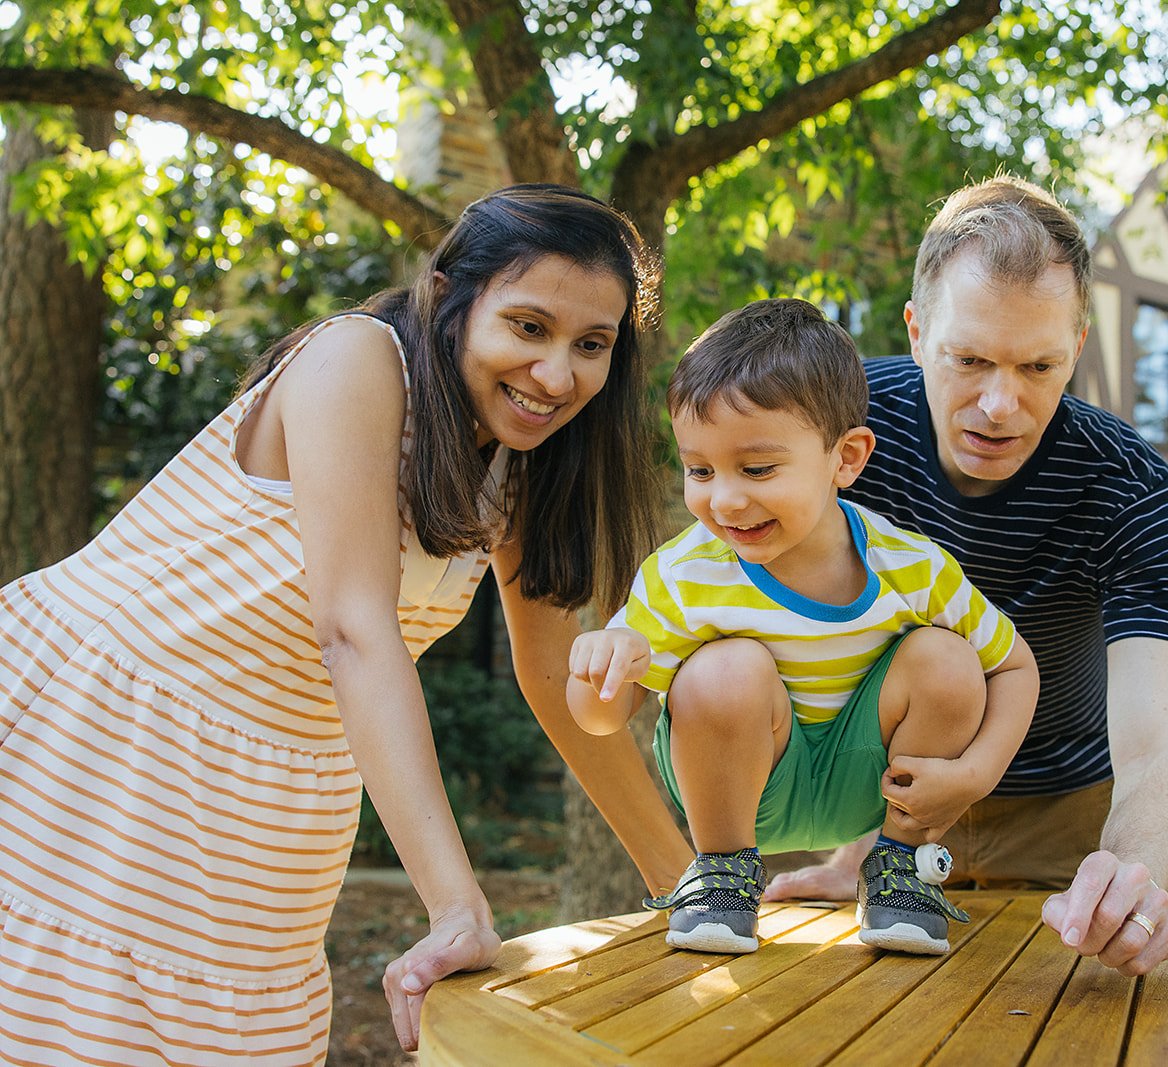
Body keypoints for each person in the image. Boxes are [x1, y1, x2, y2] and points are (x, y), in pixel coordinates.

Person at [0, 184, 691, 1064]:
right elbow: (355, 629)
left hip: (279, 791)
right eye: (527, 327)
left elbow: (553, 679)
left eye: (591, 345)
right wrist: (455, 904)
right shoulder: (356, 360)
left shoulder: (524, 464)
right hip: (104, 736)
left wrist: (691, 884)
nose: (557, 375)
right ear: (449, 296)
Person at [763, 176, 1168, 978]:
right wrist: (850, 847)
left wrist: (1130, 875)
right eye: (968, 359)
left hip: (1058, 817)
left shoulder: (1138, 496)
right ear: (917, 327)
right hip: (882, 797)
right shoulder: (832, 441)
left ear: (1076, 347)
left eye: (1038, 366)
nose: (1000, 404)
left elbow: (1158, 746)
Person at [567, 298, 1039, 956]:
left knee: (950, 660)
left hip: (876, 792)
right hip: (743, 785)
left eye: (757, 468)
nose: (725, 498)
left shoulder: (912, 567)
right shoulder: (683, 576)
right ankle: (724, 876)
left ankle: (898, 870)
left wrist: (979, 773)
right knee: (725, 668)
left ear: (845, 458)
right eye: (699, 469)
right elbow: (598, 718)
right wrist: (598, 666)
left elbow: (1015, 665)